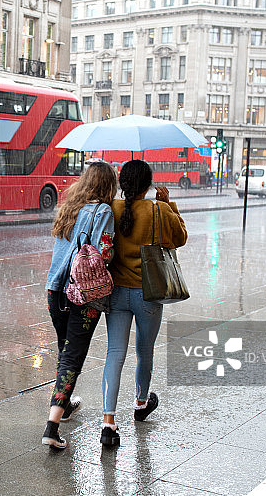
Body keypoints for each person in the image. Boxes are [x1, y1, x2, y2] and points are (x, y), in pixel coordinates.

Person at [100, 160, 187, 447]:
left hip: (117, 293)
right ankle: (140, 402)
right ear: (148, 185)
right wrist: (169, 204)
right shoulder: (158, 209)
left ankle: (108, 422)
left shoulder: (112, 208)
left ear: (123, 183)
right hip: (148, 293)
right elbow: (180, 238)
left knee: (114, 353)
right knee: (144, 350)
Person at [42, 161, 117, 449]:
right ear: (108, 185)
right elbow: (104, 253)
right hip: (82, 294)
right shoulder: (103, 211)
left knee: (65, 351)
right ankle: (52, 426)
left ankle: (65, 404)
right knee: (73, 357)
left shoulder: (70, 207)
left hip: (55, 289)